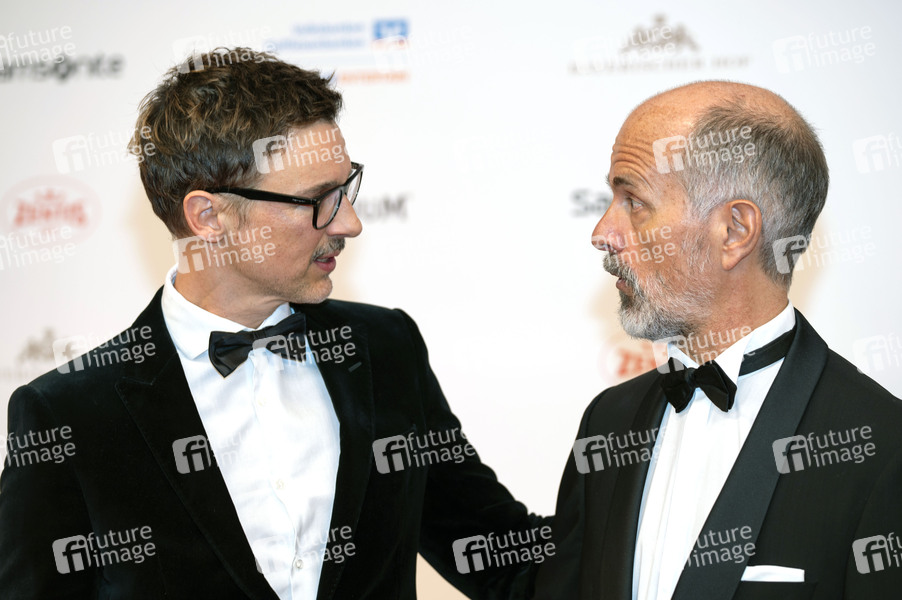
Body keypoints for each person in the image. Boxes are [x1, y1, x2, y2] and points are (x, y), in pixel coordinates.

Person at [0, 47, 542, 599]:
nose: (350, 223)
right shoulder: (68, 414)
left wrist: (611, 475)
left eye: (346, 188)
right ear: (208, 216)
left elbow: (505, 557)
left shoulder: (385, 349)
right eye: (317, 199)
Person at [532, 81, 902, 599]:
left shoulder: (882, 449)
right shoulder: (608, 423)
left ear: (734, 231)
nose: (603, 232)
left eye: (634, 202)